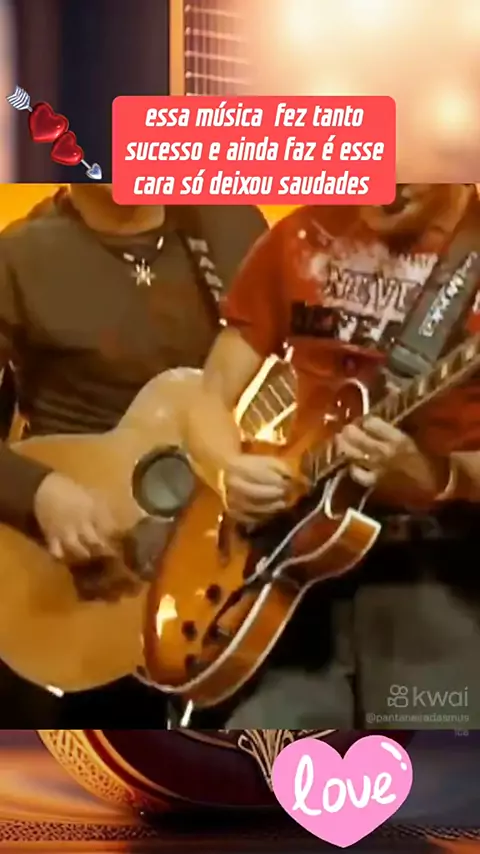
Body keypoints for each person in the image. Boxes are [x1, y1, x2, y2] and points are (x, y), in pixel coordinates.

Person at [186, 184, 480, 729]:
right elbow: (207, 396)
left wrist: (435, 477)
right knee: (256, 764)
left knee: (436, 771)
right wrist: (228, 469)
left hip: (436, 571)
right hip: (286, 564)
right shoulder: (301, 234)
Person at [0, 185, 267, 726]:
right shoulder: (20, 258)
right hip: (96, 577)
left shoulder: (232, 223)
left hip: (240, 558)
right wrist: (40, 493)